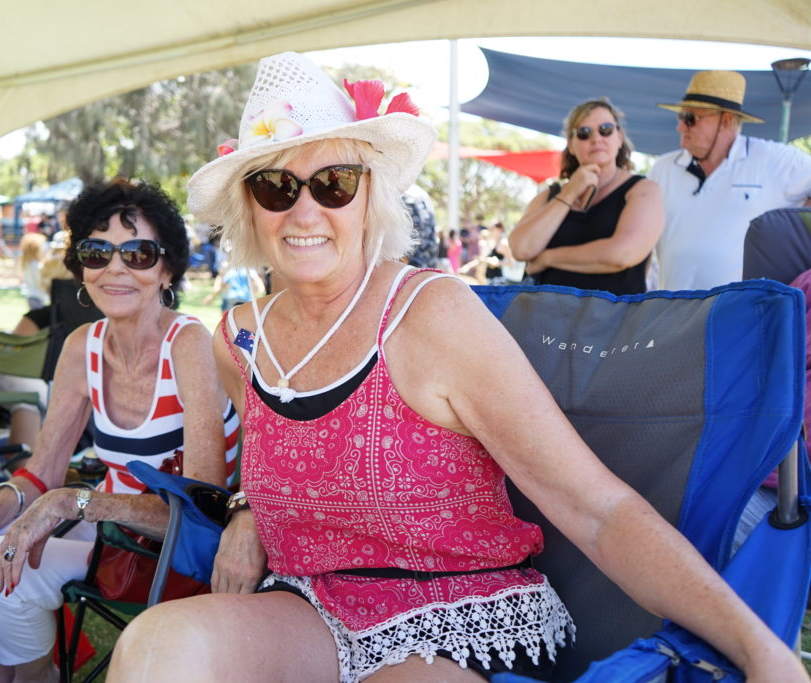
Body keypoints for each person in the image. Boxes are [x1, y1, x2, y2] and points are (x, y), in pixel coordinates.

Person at [109, 51, 807, 683]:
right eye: (274, 187)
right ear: (249, 208)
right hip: (314, 604)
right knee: (153, 649)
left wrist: (758, 646)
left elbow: (596, 509)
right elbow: (273, 456)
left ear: (370, 194)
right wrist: (248, 508)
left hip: (456, 614)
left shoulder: (432, 314)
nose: (305, 209)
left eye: (334, 181)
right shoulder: (239, 339)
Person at [0, 179, 240, 682]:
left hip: (172, 554)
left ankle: (33, 674)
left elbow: (201, 507)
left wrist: (71, 503)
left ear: (167, 267)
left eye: (139, 253)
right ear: (81, 265)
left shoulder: (189, 345)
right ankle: (25, 669)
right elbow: (42, 471)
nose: (116, 268)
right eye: (97, 251)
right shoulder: (84, 345)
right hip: (107, 533)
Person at [650, 71, 811, 290]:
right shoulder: (663, 168)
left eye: (690, 119)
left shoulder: (776, 160)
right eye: (681, 117)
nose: (680, 126)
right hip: (673, 313)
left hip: (743, 317)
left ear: (725, 121)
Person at [509, 98, 663, 295]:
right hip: (545, 318)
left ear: (619, 137)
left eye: (605, 129)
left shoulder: (643, 190)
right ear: (571, 146)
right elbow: (521, 249)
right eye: (584, 133)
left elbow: (622, 254)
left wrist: (548, 258)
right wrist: (570, 192)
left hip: (615, 321)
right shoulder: (551, 195)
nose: (596, 138)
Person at [18, 232, 49, 310]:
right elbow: (40, 281)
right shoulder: (36, 265)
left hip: (31, 295)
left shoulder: (26, 264)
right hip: (38, 296)